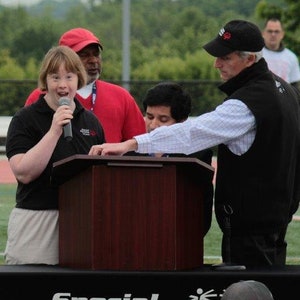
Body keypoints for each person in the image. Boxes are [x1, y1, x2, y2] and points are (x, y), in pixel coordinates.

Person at [89, 20, 300, 268]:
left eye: (225, 57)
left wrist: (130, 144)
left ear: (249, 59)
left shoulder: (247, 103)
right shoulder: (285, 90)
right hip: (276, 221)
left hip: (251, 232)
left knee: (249, 291)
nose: (216, 63)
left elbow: (193, 132)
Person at [4, 45, 106, 265]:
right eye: (55, 77)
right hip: (37, 220)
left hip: (81, 222)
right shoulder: (25, 119)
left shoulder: (91, 123)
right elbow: (23, 173)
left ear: (78, 79)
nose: (62, 85)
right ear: (45, 81)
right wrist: (54, 130)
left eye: (69, 77)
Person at [25, 27, 146, 142]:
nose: (93, 60)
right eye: (84, 55)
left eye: (96, 54)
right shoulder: (40, 97)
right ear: (65, 59)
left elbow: (138, 145)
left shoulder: (121, 96)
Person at [130, 81, 214, 236]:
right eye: (149, 117)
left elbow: (202, 209)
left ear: (182, 122)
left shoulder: (197, 155)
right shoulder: (129, 151)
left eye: (163, 120)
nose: (153, 125)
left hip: (179, 237)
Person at [262, 17, 300, 90]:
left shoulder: (291, 57)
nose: (273, 34)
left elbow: (295, 87)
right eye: (270, 31)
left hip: (285, 99)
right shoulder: (256, 55)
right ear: (263, 33)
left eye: (277, 31)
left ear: (282, 34)